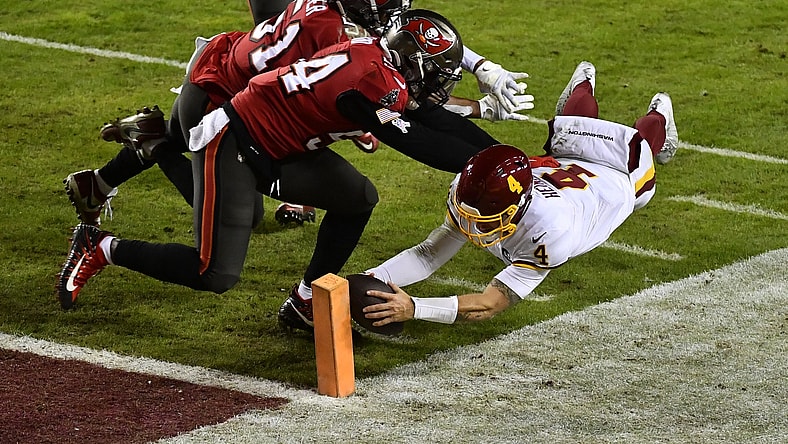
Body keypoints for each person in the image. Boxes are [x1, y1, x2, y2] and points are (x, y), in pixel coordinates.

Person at [54, 10, 516, 331]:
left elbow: (432, 119)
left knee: (357, 198)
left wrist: (510, 157)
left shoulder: (378, 63)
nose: (441, 87)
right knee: (215, 272)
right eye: (438, 75)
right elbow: (417, 141)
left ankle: (305, 301)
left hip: (284, 143)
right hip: (236, 139)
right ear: (412, 65)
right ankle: (101, 245)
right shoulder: (371, 80)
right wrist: (486, 163)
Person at [64, 0, 531, 227]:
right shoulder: (344, 37)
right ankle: (151, 143)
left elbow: (408, 46)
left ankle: (98, 182)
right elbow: (402, 96)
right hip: (224, 96)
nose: (394, 19)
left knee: (192, 133)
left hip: (233, 71)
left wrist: (479, 66)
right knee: (240, 213)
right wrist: (479, 108)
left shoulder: (335, 18)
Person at [359, 60, 679, 327]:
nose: (474, 225)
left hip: (618, 179)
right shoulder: (469, 191)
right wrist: (369, 277)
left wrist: (415, 307)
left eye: (487, 217)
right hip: (564, 165)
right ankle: (583, 84)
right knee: (572, 127)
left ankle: (661, 114)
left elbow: (489, 304)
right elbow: (429, 253)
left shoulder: (552, 231)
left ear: (519, 207)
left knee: (643, 143)